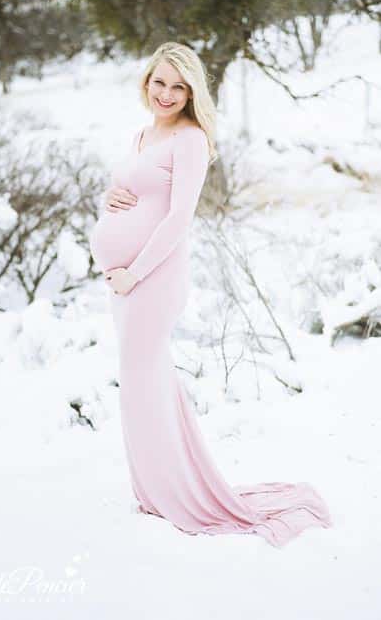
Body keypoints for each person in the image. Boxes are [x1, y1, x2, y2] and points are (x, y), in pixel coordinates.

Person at [88, 43, 332, 547]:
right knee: (144, 387)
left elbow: (178, 219)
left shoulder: (191, 139)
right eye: (160, 82)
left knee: (142, 382)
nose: (167, 94)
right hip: (126, 281)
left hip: (152, 279)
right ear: (147, 81)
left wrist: (133, 272)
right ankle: (157, 490)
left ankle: (181, 496)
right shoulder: (141, 134)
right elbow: (135, 196)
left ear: (193, 92)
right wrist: (108, 200)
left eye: (179, 87)